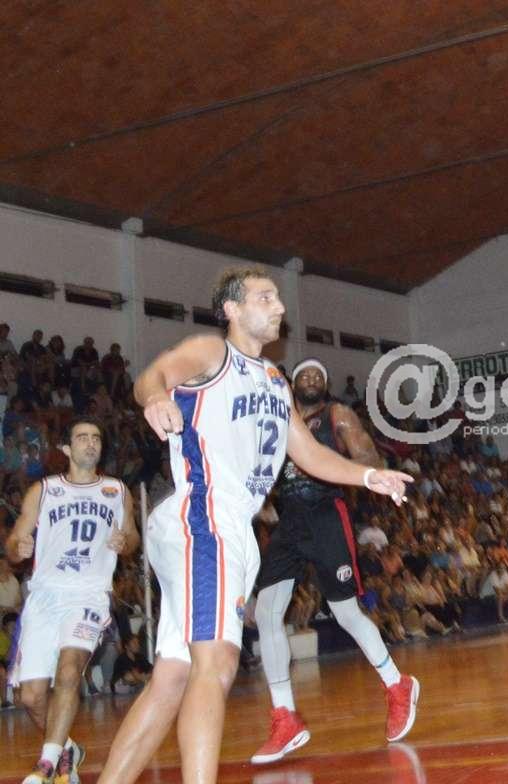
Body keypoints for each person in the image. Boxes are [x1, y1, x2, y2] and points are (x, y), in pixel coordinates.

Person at [95, 266, 411, 784]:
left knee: (173, 677)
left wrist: (368, 475)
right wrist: (155, 398)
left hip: (231, 529)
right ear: (232, 309)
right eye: (266, 297)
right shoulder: (211, 352)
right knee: (217, 664)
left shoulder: (274, 381)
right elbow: (152, 377)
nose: (280, 306)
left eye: (279, 297)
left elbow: (308, 453)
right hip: (204, 515)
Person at [251, 359, 418, 765]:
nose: (311, 377)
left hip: (327, 514)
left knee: (346, 613)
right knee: (266, 613)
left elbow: (364, 449)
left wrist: (378, 475)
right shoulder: (278, 420)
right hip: (290, 520)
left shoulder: (336, 414)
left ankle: (397, 685)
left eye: (318, 375)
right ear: (292, 384)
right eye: (304, 374)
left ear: (324, 386)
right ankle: (285, 716)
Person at [5, 417, 138, 784]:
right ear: (66, 448)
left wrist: (125, 542)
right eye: (82, 437)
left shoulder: (116, 490)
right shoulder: (44, 490)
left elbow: (132, 537)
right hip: (45, 597)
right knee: (31, 697)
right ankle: (67, 750)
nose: (90, 443)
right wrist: (19, 548)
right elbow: (13, 543)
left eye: (96, 437)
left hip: (89, 596)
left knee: (68, 672)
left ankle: (46, 766)